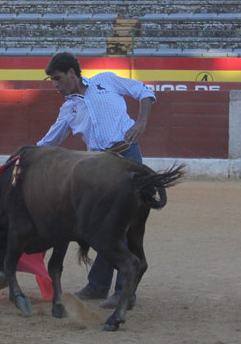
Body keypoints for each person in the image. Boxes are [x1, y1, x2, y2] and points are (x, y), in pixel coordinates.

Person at [36, 51, 156, 309]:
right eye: (52, 81)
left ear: (71, 73)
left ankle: (123, 292)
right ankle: (99, 286)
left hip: (128, 156)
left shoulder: (107, 80)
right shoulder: (68, 109)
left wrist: (142, 122)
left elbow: (145, 91)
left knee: (123, 224)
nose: (55, 86)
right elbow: (48, 142)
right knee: (105, 226)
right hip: (99, 168)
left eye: (58, 79)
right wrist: (23, 157)